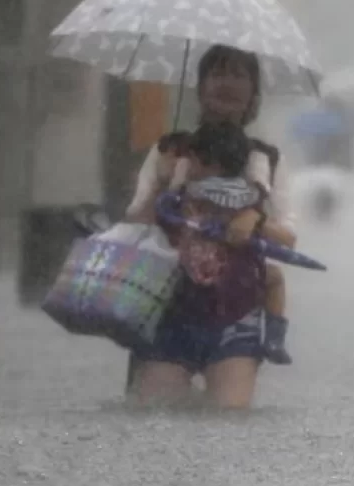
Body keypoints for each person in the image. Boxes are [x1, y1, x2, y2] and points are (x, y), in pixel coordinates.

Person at [124, 44, 297, 409]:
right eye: (218, 73)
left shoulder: (266, 159)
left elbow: (289, 238)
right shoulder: (169, 151)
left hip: (236, 314)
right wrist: (161, 185)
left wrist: (256, 220)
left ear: (253, 93)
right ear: (201, 87)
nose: (227, 84)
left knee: (229, 418)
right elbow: (133, 225)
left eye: (239, 75)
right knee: (151, 417)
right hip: (167, 310)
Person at [165, 121, 296, 365]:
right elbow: (284, 237)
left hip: (192, 269)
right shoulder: (246, 194)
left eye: (190, 159)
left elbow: (167, 214)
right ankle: (275, 338)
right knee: (275, 277)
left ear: (199, 159)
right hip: (230, 274)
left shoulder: (190, 190)